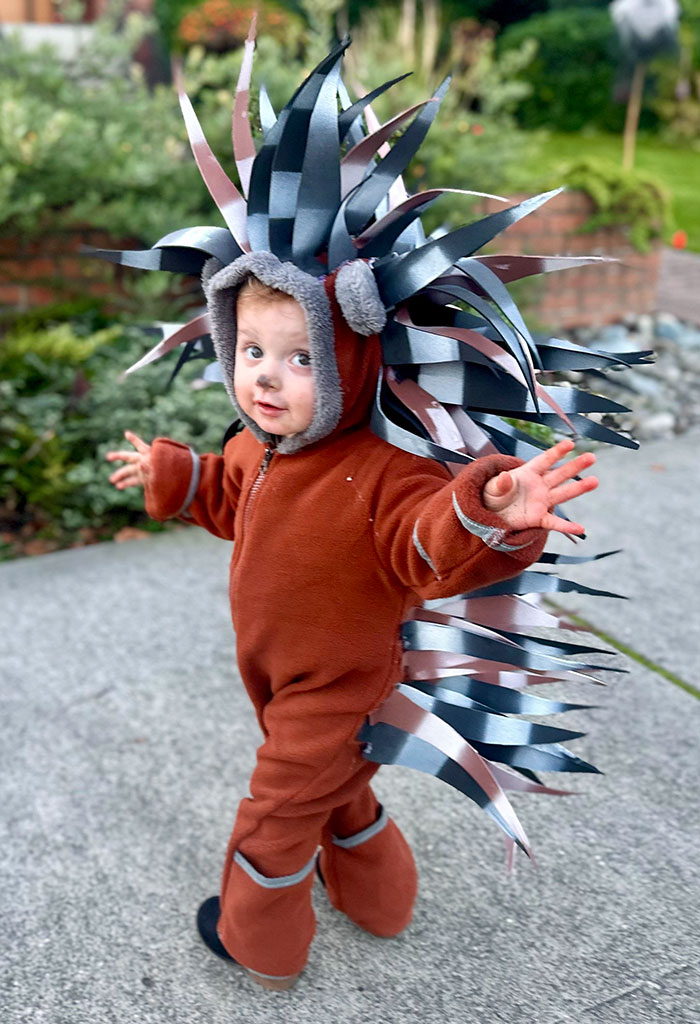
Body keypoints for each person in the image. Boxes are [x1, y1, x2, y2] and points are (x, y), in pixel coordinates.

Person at [105, 254, 598, 990]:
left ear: (347, 364)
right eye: (252, 351)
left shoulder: (382, 474)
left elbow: (428, 544)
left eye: (302, 358)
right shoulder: (258, 448)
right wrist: (176, 478)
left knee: (276, 815)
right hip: (281, 677)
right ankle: (381, 901)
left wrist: (485, 511)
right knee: (335, 794)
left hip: (340, 689)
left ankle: (260, 945)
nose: (267, 376)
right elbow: (227, 494)